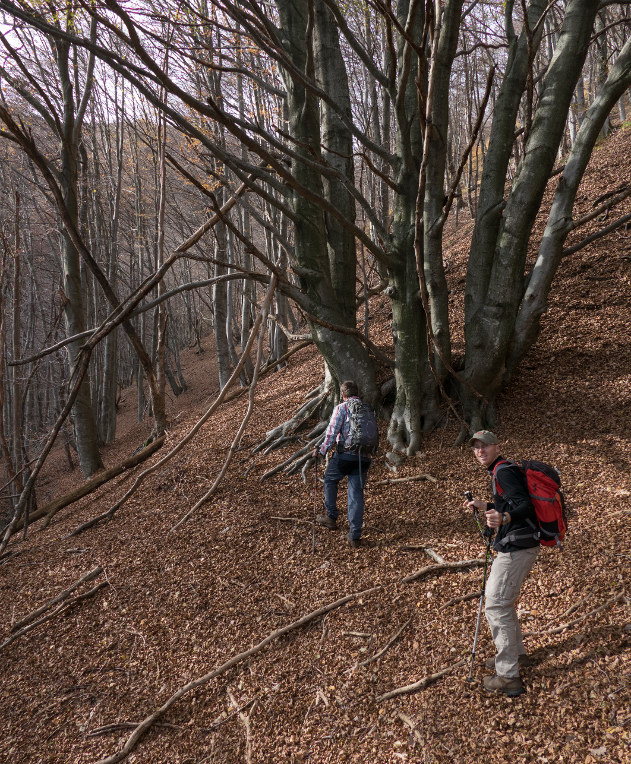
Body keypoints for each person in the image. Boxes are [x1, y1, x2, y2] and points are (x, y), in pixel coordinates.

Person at [464, 430, 539, 697]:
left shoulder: (503, 472)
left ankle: (508, 676)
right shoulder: (501, 470)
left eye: (485, 446)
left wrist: (504, 518)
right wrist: (485, 505)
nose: (480, 451)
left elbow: (525, 506)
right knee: (503, 603)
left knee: (496, 605)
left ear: (497, 447)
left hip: (517, 547)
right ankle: (517, 655)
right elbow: (508, 503)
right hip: (519, 544)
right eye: (476, 447)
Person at [312, 381, 372, 548]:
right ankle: (354, 535)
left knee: (330, 480)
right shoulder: (367, 409)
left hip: (345, 456)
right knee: (356, 494)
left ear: (343, 395)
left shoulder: (342, 408)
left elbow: (331, 433)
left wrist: (321, 451)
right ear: (357, 393)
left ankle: (331, 517)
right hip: (364, 457)